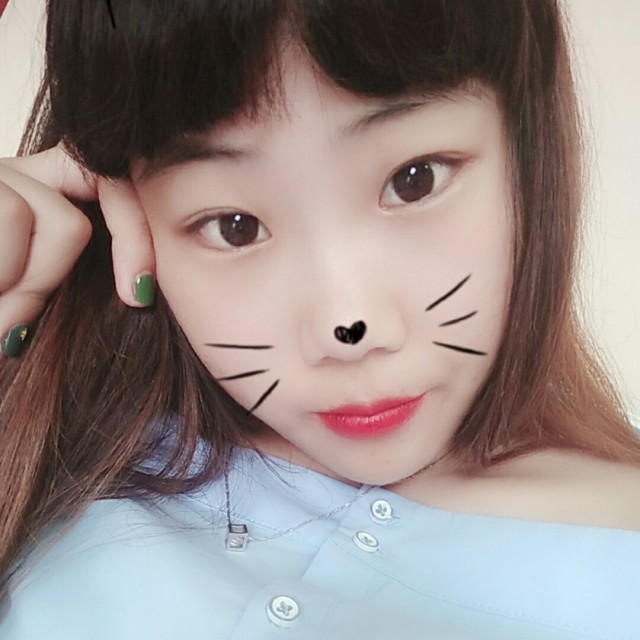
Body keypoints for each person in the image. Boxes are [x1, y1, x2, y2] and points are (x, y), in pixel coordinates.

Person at [1, 1, 639, 638]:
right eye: (234, 226)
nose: (349, 328)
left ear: (524, 150)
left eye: (414, 181)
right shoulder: (65, 452)